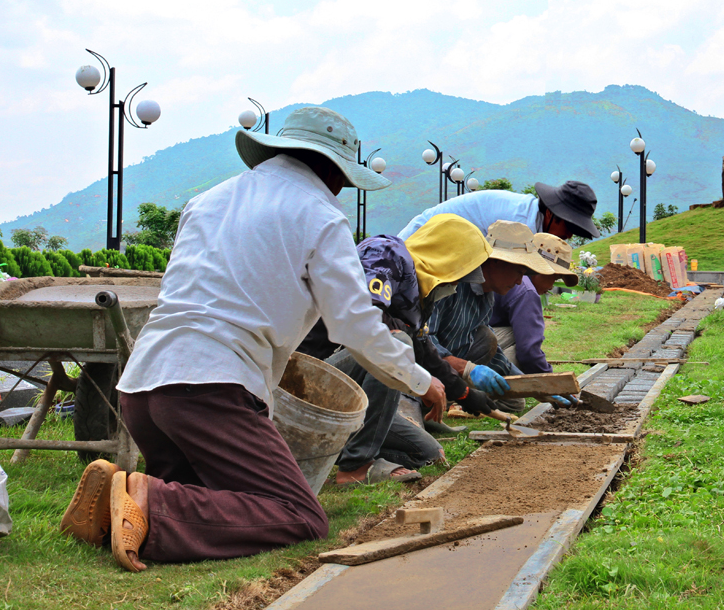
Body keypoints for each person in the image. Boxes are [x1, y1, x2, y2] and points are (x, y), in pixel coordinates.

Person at [59, 107, 445, 572]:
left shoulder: (207, 201)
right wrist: (422, 382)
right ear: (336, 173)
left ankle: (124, 508)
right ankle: (151, 501)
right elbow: (355, 326)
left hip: (143, 382)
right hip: (212, 386)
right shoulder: (321, 215)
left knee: (208, 500)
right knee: (299, 515)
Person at [324, 214, 503, 488]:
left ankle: (332, 449)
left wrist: (465, 394)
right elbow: (365, 322)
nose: (456, 285)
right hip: (315, 373)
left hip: (349, 391)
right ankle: (355, 467)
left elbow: (423, 348)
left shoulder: (418, 296)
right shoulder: (386, 255)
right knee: (397, 343)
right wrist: (418, 379)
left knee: (428, 454)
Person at [425, 221, 558, 409]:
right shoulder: (450, 283)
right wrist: (466, 369)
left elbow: (492, 351)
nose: (520, 281)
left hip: (448, 366)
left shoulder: (487, 295)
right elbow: (422, 344)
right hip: (418, 370)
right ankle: (438, 399)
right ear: (495, 261)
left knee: (514, 402)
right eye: (518, 272)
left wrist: (534, 385)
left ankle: (455, 398)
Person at [489, 233, 578, 412]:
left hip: (469, 349)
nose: (553, 285)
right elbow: (529, 352)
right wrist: (551, 384)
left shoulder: (514, 283)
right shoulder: (526, 292)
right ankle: (483, 392)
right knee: (520, 338)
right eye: (554, 277)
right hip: (473, 352)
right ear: (539, 269)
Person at [397, 181, 600, 243]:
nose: (569, 235)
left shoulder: (530, 218)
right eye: (569, 225)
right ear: (550, 214)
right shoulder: (518, 227)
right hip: (421, 241)